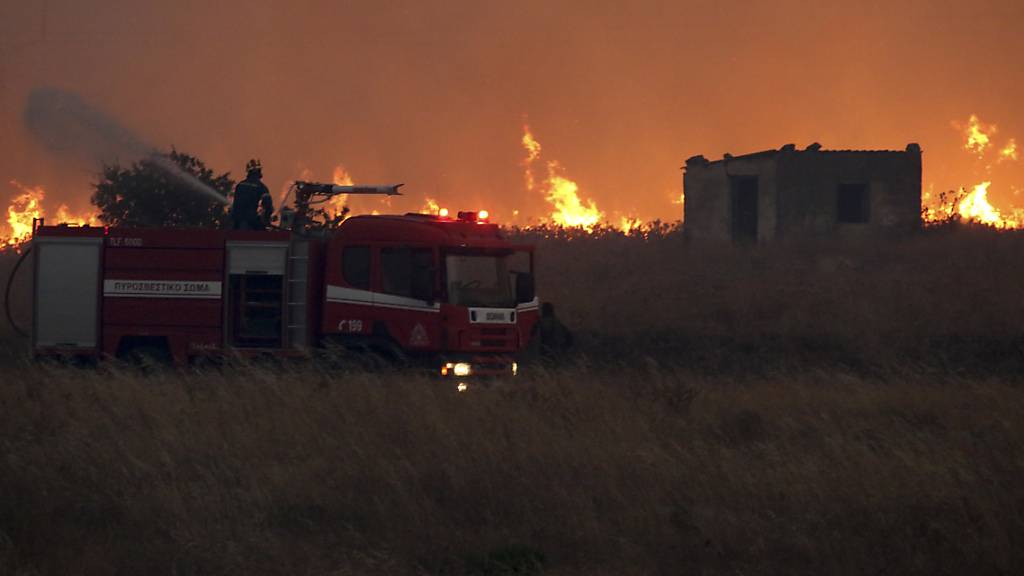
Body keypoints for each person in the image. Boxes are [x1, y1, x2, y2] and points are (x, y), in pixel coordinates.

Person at [231, 159, 273, 230]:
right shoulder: (261, 187)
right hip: (251, 221)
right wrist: (267, 218)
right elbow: (267, 204)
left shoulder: (240, 185)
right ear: (257, 171)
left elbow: (235, 204)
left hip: (236, 222)